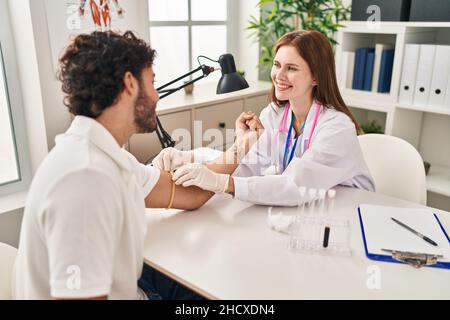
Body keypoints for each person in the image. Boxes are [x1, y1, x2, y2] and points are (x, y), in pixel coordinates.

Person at [13, 30, 260, 300]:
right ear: (130, 83)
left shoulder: (111, 159)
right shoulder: (84, 178)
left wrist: (241, 146)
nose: (156, 96)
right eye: (152, 82)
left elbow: (193, 195)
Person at [155, 30, 375, 206]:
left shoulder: (337, 127)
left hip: (349, 212)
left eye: (291, 68)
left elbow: (294, 186)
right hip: (310, 209)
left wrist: (222, 182)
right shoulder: (274, 114)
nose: (278, 76)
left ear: (316, 76)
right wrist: (189, 158)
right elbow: (248, 168)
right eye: (277, 65)